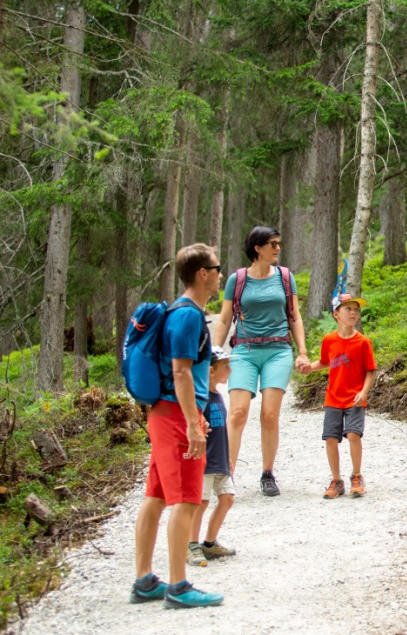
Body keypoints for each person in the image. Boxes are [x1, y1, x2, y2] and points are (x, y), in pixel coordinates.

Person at [130, 243, 224, 609]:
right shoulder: (186, 316)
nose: (220, 274)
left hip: (166, 413)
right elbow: (181, 372)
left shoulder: (183, 312)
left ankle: (144, 581)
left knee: (155, 498)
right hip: (174, 417)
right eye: (216, 268)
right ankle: (178, 587)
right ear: (203, 273)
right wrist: (193, 425)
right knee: (186, 500)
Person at [212, 226, 309, 497]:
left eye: (279, 244)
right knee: (237, 413)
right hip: (244, 351)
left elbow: (295, 317)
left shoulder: (286, 277)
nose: (278, 248)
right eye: (273, 244)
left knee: (269, 415)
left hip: (278, 351)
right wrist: (215, 352)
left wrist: (302, 351)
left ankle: (268, 473)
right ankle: (226, 474)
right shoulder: (237, 279)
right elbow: (224, 319)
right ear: (257, 247)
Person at [302, 293, 377, 499]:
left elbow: (370, 370)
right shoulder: (329, 340)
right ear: (336, 314)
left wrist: (363, 392)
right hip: (333, 398)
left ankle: (357, 475)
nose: (353, 313)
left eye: (356, 309)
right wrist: (309, 368)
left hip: (355, 398)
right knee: (331, 439)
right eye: (348, 309)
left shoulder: (363, 342)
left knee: (353, 434)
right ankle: (336, 480)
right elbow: (326, 361)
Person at [187, 346, 237, 567]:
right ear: (210, 370)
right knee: (201, 502)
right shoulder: (199, 398)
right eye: (226, 366)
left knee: (227, 499)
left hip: (220, 459)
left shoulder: (218, 395)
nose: (230, 371)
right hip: (204, 461)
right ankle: (191, 545)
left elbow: (222, 430)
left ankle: (209, 543)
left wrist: (228, 457)